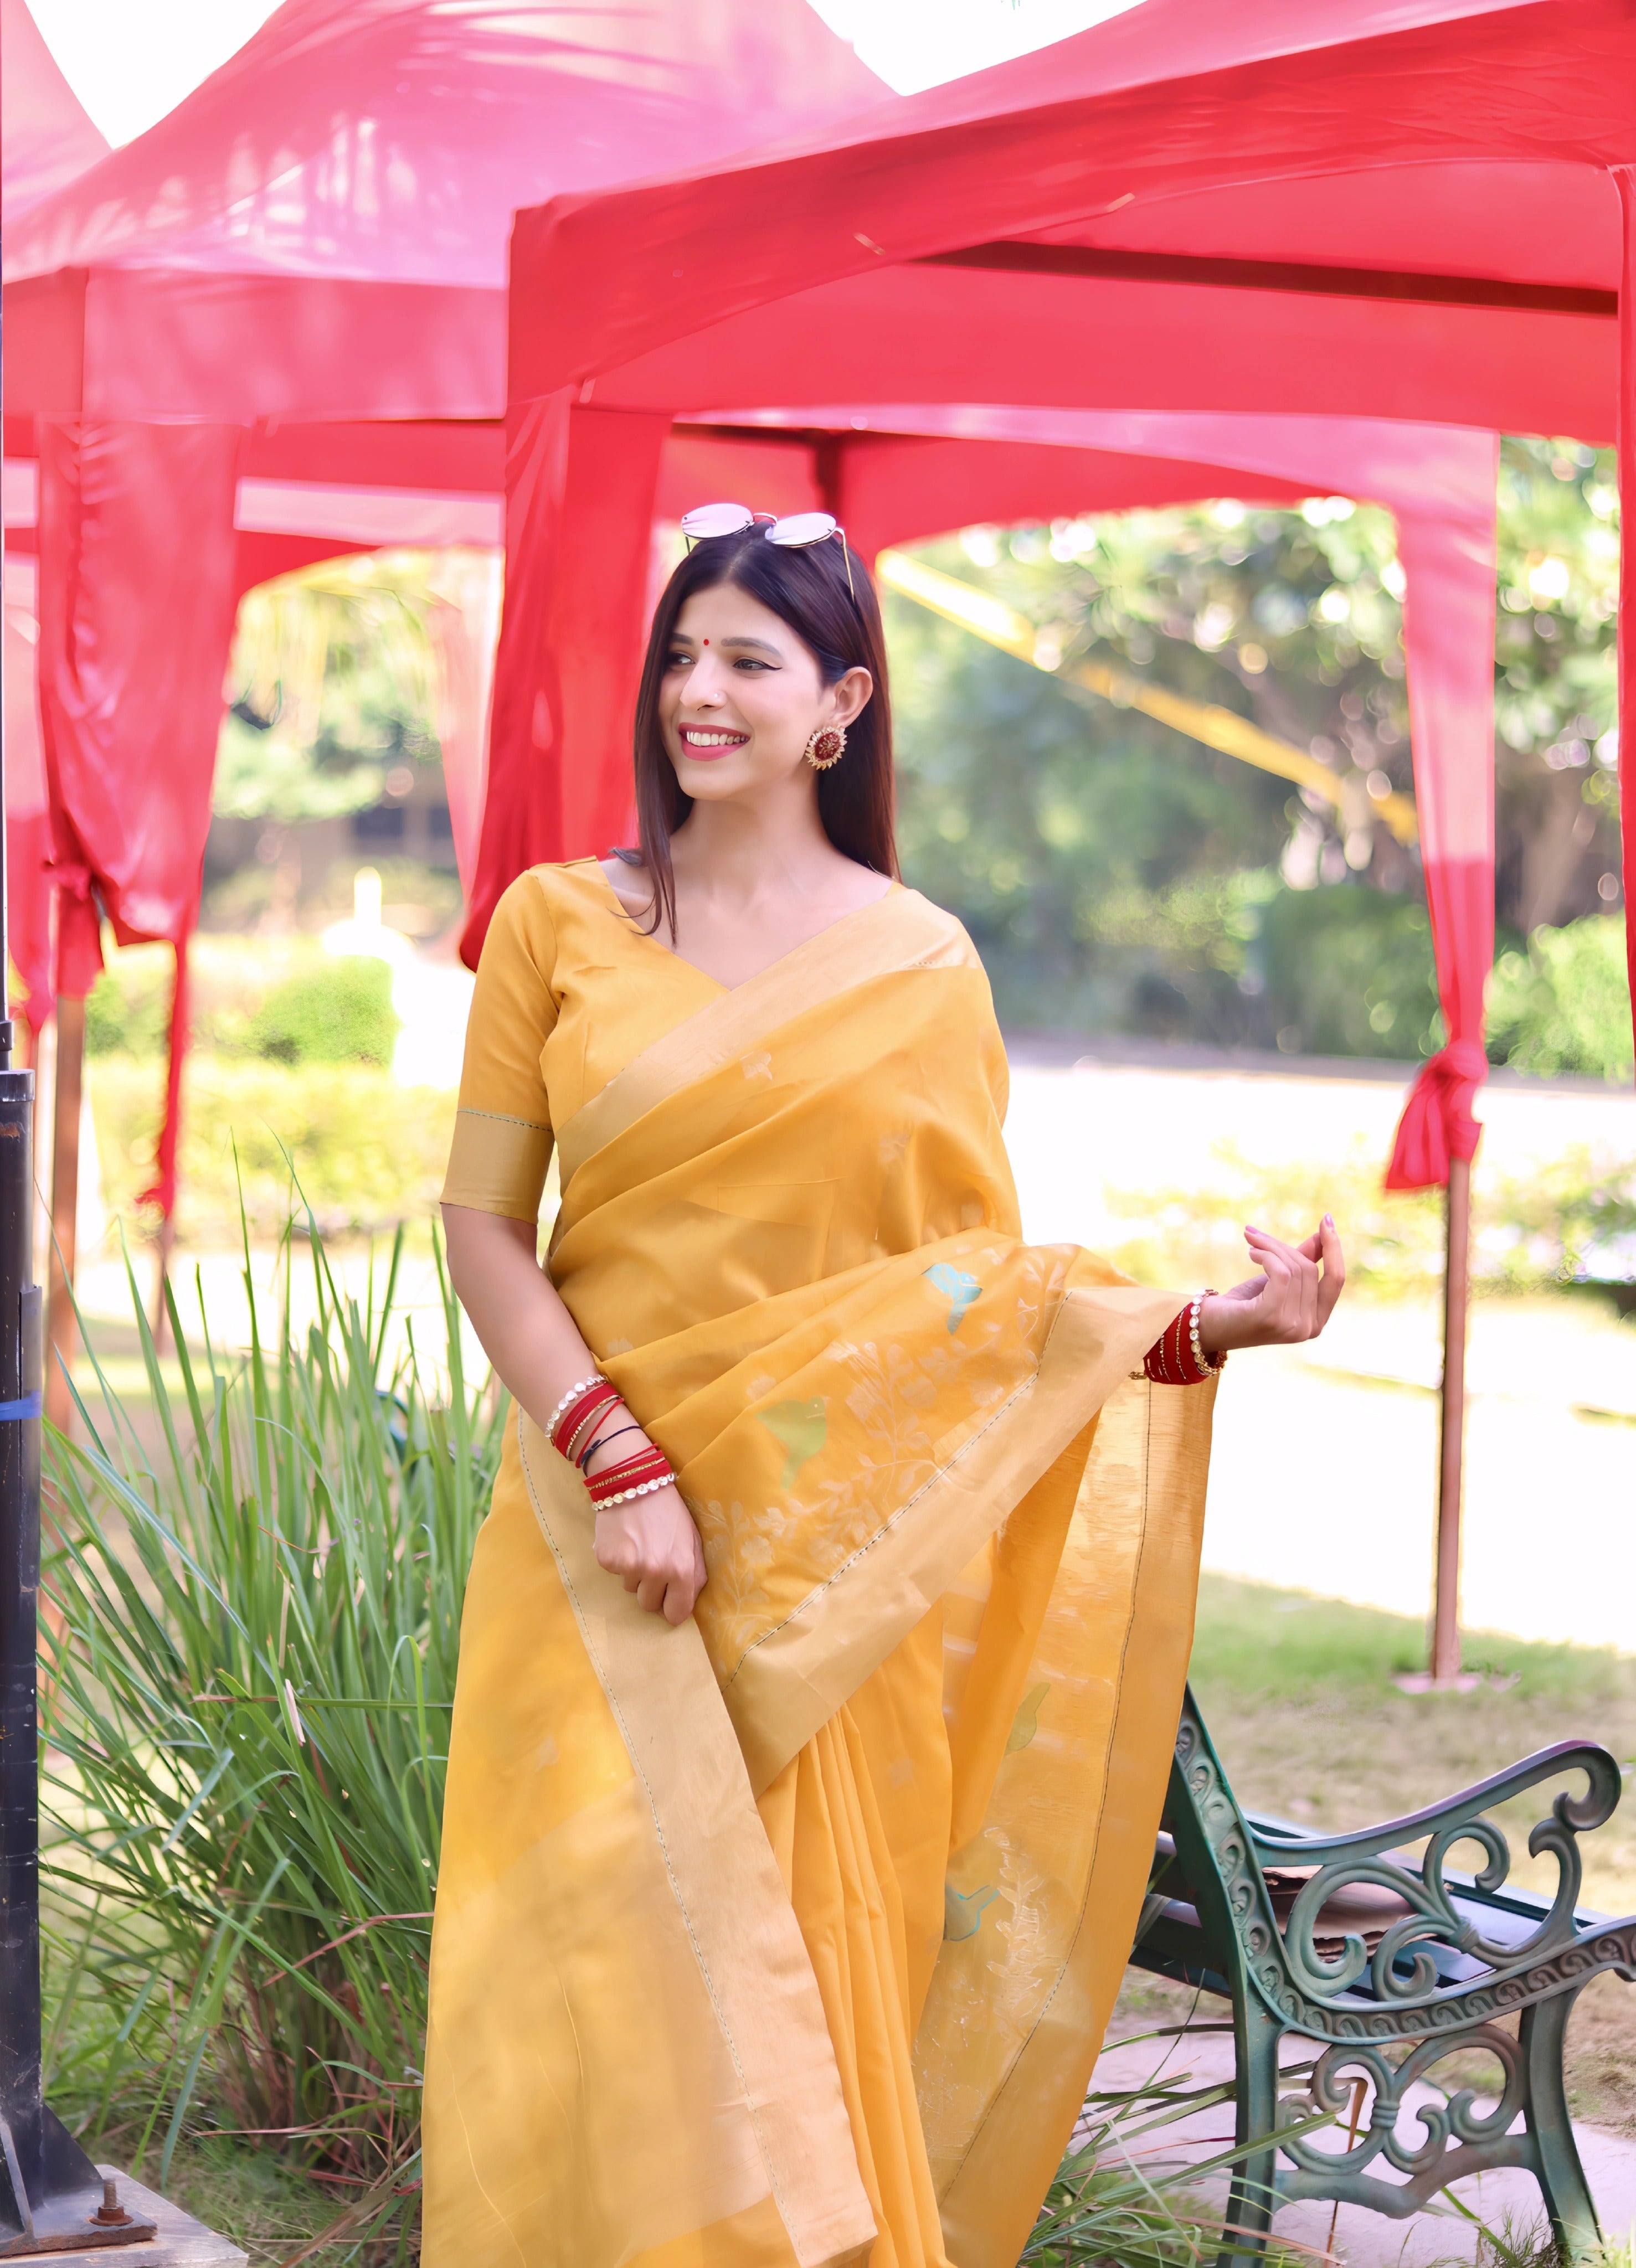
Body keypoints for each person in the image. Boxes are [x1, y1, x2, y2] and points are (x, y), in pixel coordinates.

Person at [424, 509, 1345, 2268]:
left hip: (823, 1573)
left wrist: (1217, 1325)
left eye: (746, 661)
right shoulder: (559, 925)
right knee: (586, 2009)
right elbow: (480, 1223)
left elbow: (972, 1317)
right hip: (593, 1541)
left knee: (794, 2025)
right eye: (681, 654)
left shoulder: (919, 968)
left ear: (838, 702)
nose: (698, 691)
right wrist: (616, 1457)